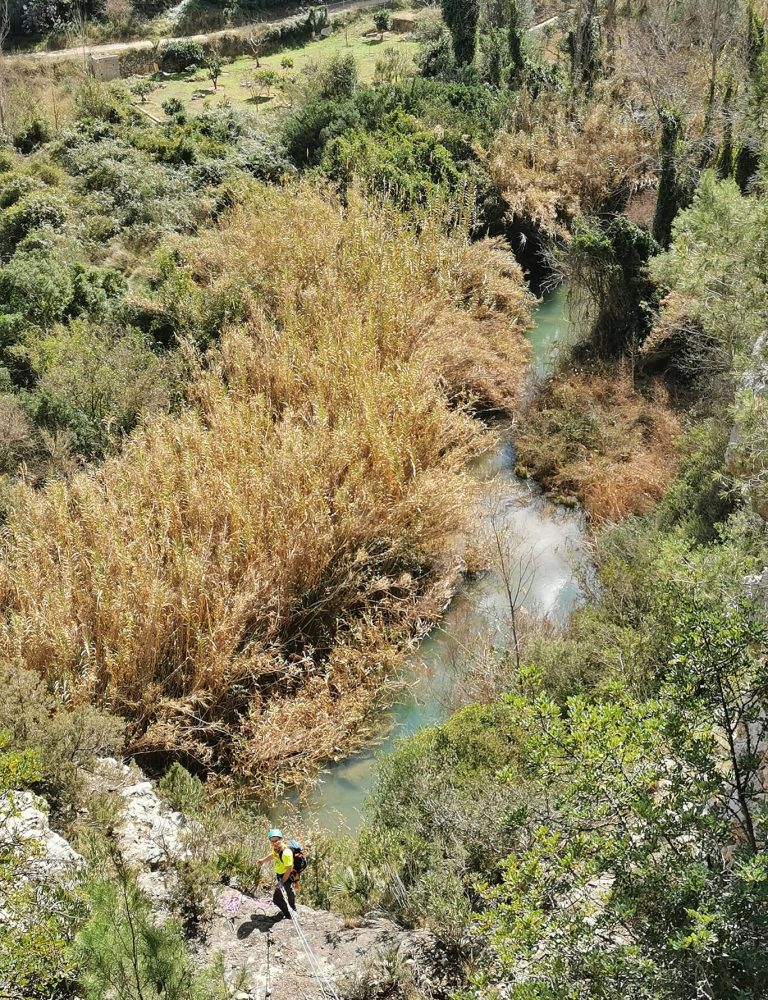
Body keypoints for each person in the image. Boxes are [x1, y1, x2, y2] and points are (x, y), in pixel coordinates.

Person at [257, 828, 296, 922]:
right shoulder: (276, 849)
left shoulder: (286, 853)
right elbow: (273, 855)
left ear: (281, 839)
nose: (275, 843)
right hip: (280, 875)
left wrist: (282, 882)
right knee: (288, 892)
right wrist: (263, 861)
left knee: (277, 899)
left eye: (277, 840)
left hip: (286, 876)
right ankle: (292, 908)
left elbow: (289, 870)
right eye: (272, 841)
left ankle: (290, 913)